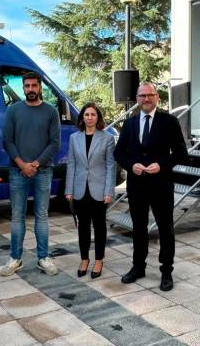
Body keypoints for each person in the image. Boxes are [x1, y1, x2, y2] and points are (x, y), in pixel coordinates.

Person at [113, 82, 187, 291]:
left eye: (149, 95)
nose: (146, 99)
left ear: (157, 98)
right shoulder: (129, 124)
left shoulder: (169, 121)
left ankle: (166, 272)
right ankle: (138, 267)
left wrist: (162, 165)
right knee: (138, 228)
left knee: (166, 228)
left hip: (161, 184)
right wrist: (130, 165)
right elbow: (119, 153)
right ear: (137, 99)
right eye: (142, 95)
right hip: (137, 185)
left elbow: (182, 153)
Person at [0, 72, 61, 276]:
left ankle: (43, 258)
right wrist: (22, 164)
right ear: (23, 88)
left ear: (40, 88)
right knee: (17, 216)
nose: (31, 89)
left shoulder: (51, 111)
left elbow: (54, 143)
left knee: (41, 216)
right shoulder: (13, 110)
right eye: (27, 86)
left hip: (43, 171)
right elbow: (8, 141)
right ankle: (15, 259)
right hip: (17, 171)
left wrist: (34, 164)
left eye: (34, 85)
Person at [65, 103, 116, 279]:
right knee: (83, 227)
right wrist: (69, 189)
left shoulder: (108, 138)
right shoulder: (74, 138)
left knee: (100, 227)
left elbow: (110, 166)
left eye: (93, 114)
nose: (89, 117)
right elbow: (71, 164)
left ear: (98, 118)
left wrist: (109, 191)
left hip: (100, 190)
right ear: (82, 118)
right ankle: (84, 259)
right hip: (80, 190)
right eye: (86, 114)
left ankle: (99, 259)